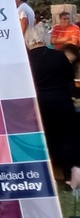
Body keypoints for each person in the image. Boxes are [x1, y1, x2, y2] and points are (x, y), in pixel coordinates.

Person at [25, 22, 80, 181]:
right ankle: (69, 176)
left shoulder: (25, 60)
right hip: (61, 101)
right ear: (45, 37)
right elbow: (69, 80)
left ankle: (42, 177)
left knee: (40, 142)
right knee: (66, 139)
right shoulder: (59, 56)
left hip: (37, 104)